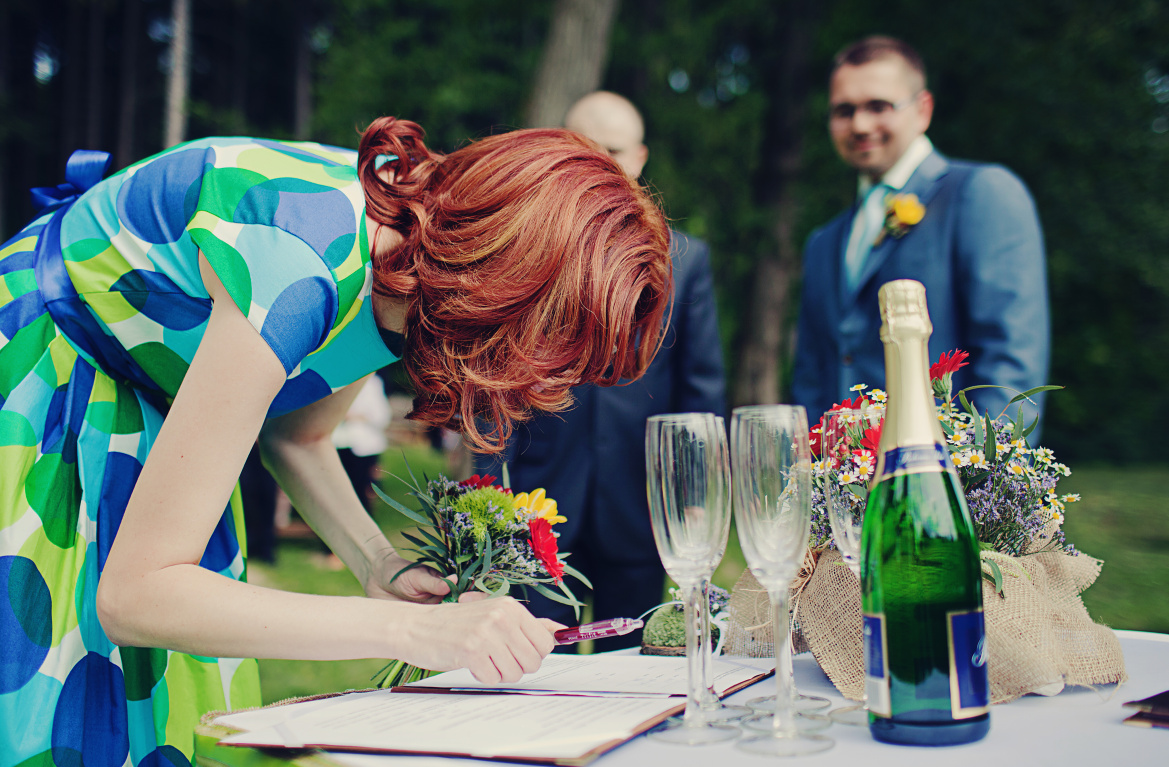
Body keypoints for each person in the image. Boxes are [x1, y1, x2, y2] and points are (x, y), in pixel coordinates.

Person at [0, 118, 671, 764]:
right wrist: (416, 630)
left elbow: (298, 436)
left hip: (143, 400)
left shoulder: (409, 269)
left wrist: (379, 564)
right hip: (46, 382)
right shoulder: (298, 266)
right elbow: (138, 596)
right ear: (505, 290)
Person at [476, 92, 726, 651]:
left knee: (634, 665)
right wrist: (490, 489)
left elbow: (700, 385)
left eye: (613, 150)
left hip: (639, 499)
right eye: (585, 147)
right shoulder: (528, 244)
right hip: (538, 500)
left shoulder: (685, 259)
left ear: (639, 157)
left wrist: (694, 495)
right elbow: (497, 376)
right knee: (534, 662)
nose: (602, 162)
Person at [792, 36, 1050, 434]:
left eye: (878, 106)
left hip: (946, 465)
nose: (859, 125)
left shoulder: (981, 193)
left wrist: (983, 467)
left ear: (923, 109)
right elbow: (812, 377)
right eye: (844, 111)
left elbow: (1011, 362)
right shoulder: (823, 242)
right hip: (843, 470)